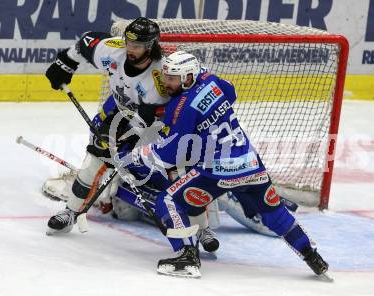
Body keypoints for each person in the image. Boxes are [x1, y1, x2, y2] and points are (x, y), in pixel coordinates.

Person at [128, 51, 329, 278]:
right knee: (274, 213)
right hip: (251, 165)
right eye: (166, 77)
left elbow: (168, 155)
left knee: (168, 201)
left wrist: (136, 156)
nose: (166, 83)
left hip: (218, 171)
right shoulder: (212, 81)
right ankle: (312, 256)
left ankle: (187, 257)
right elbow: (230, 93)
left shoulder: (181, 108)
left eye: (172, 78)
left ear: (187, 78)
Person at [43, 17, 220, 253]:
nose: (130, 49)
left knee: (179, 172)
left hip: (155, 124)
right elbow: (87, 42)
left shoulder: (160, 77)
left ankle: (202, 228)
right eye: (128, 43)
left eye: (136, 46)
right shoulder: (114, 50)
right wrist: (65, 63)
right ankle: (71, 212)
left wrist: (121, 138)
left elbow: (154, 120)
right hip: (119, 109)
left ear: (151, 45)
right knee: (97, 156)